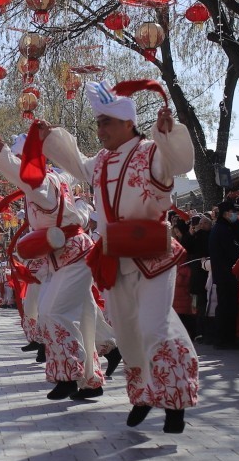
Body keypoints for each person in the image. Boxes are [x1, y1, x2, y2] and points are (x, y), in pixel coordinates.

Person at [39, 80, 198, 433]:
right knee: (127, 332)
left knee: (156, 325)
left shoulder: (152, 152)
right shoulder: (101, 162)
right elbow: (78, 164)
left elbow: (181, 161)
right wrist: (52, 137)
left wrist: (169, 133)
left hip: (153, 254)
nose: (100, 130)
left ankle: (174, 399)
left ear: (128, 123)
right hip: (115, 258)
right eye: (98, 123)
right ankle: (142, 394)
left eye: (106, 122)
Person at [0, 133, 103, 398]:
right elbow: (74, 172)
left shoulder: (40, 183)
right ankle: (91, 379)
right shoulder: (54, 180)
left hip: (73, 255)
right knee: (84, 319)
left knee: (53, 311)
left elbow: (21, 172)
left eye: (22, 160)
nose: (20, 165)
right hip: (58, 258)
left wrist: (3, 154)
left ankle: (69, 375)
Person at [209, 199, 239, 348]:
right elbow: (233, 252)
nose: (235, 215)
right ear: (225, 213)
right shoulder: (223, 230)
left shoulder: (220, 228)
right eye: (233, 212)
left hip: (222, 274)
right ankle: (224, 339)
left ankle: (223, 338)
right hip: (226, 275)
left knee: (224, 306)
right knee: (227, 307)